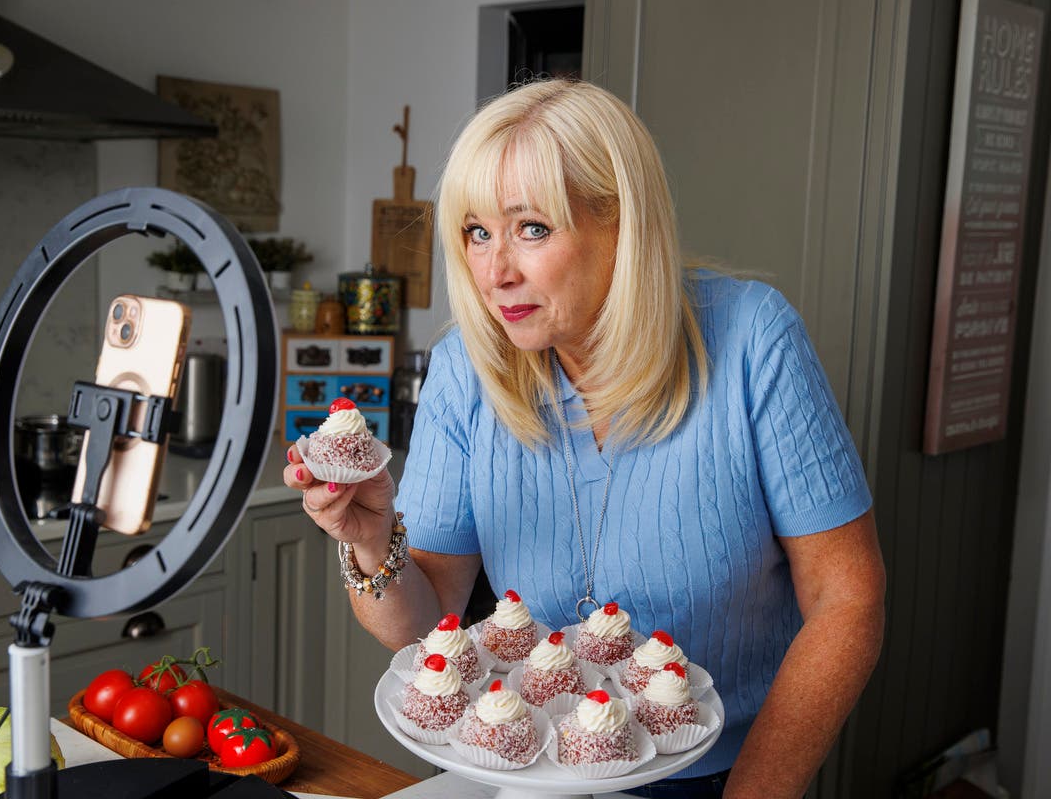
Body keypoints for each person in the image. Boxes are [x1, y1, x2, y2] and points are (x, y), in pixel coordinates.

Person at [285, 79, 885, 798]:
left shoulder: (754, 339)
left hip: (719, 778)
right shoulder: (464, 368)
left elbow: (848, 596)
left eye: (532, 228)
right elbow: (423, 622)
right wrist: (372, 540)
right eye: (477, 232)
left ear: (622, 225)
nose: (495, 271)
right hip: (528, 771)